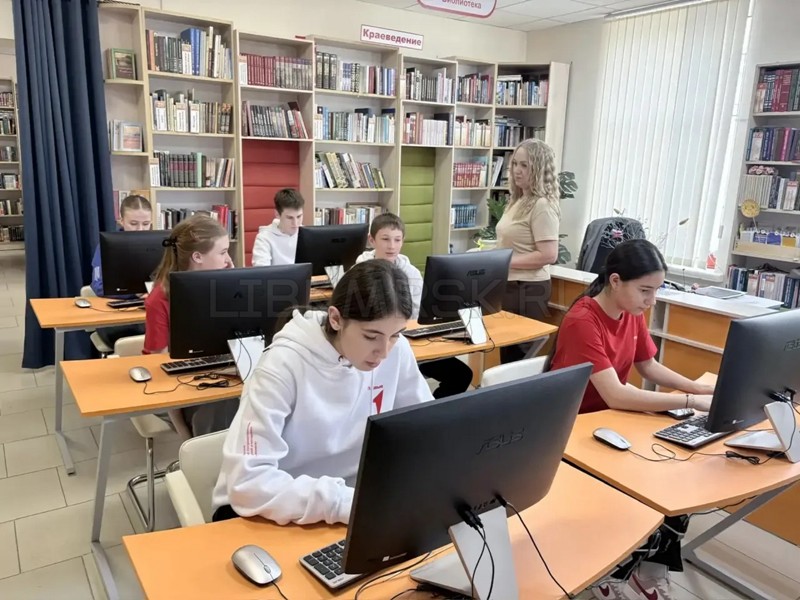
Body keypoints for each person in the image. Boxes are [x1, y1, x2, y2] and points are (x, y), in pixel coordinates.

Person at [548, 239, 714, 600]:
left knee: (678, 475)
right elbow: (617, 395)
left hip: (612, 424)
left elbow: (647, 365)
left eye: (656, 290)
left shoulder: (631, 311)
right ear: (615, 281)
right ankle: (611, 573)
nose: (651, 300)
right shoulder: (582, 320)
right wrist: (689, 400)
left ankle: (649, 572)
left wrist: (698, 388)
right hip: (574, 433)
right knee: (649, 485)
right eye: (645, 290)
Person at [212, 259, 434, 524]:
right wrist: (346, 503)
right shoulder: (281, 366)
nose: (384, 351)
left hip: (349, 500)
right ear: (336, 319)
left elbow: (425, 429)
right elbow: (248, 483)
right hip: (268, 508)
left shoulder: (397, 351)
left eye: (396, 334)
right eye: (370, 336)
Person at [356, 213, 473, 398]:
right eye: (385, 239)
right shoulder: (358, 272)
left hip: (409, 341)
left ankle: (431, 411)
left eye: (397, 240)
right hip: (375, 345)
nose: (391, 246)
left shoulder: (411, 273)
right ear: (372, 240)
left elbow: (418, 314)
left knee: (462, 375)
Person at [144, 214, 237, 437]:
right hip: (174, 390)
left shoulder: (221, 287)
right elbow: (160, 370)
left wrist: (234, 280)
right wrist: (182, 430)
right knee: (222, 408)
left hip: (215, 376)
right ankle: (208, 457)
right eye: (223, 252)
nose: (228, 260)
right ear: (197, 257)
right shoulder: (160, 299)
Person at [496, 138, 560, 364]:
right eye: (515, 164)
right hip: (510, 284)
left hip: (528, 288)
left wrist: (503, 262)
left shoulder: (542, 205)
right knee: (508, 353)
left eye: (525, 165)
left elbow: (549, 255)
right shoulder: (517, 200)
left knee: (521, 356)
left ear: (539, 169)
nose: (517, 170)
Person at [89, 194, 153, 349]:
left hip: (150, 311)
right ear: (121, 221)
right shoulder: (107, 246)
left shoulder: (159, 244)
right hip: (116, 316)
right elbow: (99, 287)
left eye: (146, 224)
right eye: (133, 224)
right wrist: (134, 292)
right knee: (148, 338)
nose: (140, 229)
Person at [251, 188, 304, 266]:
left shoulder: (307, 235)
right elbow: (262, 270)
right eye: (290, 218)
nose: (296, 223)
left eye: (299, 216)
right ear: (277, 214)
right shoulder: (264, 238)